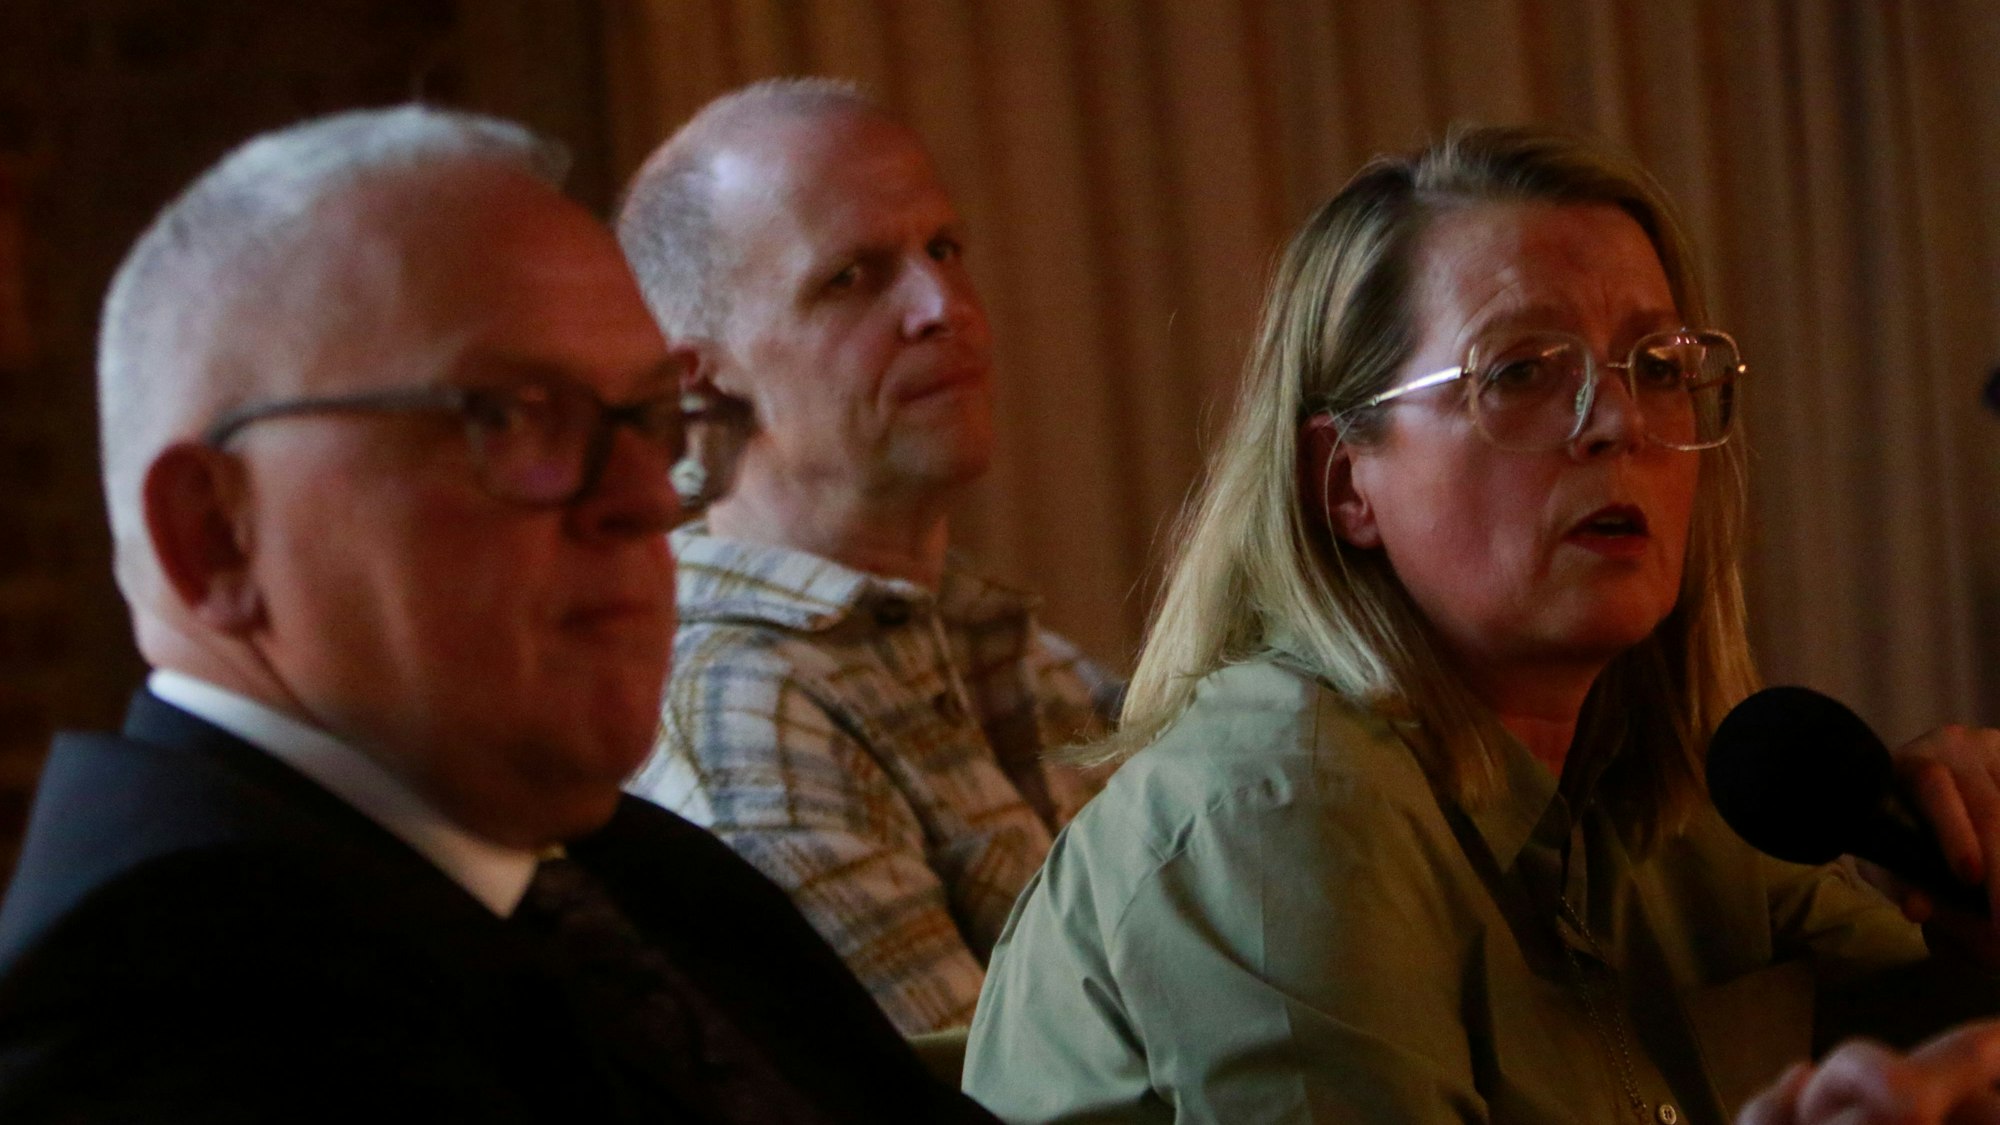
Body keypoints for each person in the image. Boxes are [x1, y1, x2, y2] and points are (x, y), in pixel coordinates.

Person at [963, 123, 2000, 1123]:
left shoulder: (1659, 791)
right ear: (1344, 484)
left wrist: (1962, 875)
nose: (1616, 422)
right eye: (1518, 374)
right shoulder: (1278, 815)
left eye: (1656, 367)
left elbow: (1937, 1040)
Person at [0, 104, 994, 1123]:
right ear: (215, 532)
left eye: (650, 421)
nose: (647, 498)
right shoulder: (151, 1029)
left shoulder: (654, 882)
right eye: (513, 418)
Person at [616, 78, 1117, 1034]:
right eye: (850, 277)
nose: (944, 307)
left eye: (944, 248)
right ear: (699, 377)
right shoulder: (731, 705)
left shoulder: (1016, 652)